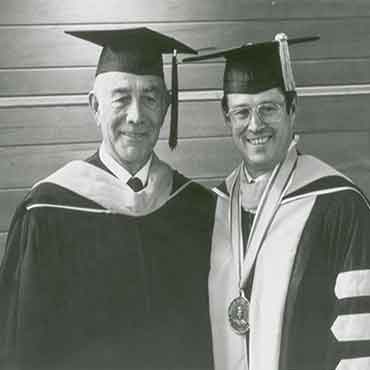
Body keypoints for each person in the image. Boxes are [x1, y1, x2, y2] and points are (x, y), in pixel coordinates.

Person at [0, 27, 216, 370]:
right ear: (95, 106)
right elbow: (23, 345)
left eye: (149, 97)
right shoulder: (47, 211)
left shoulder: (198, 208)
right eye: (120, 97)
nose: (135, 115)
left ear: (166, 107)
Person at [184, 34, 370, 370]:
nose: (255, 125)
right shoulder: (212, 209)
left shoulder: (340, 206)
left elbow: (361, 343)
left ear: (292, 109)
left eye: (268, 108)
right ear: (227, 117)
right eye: (242, 112)